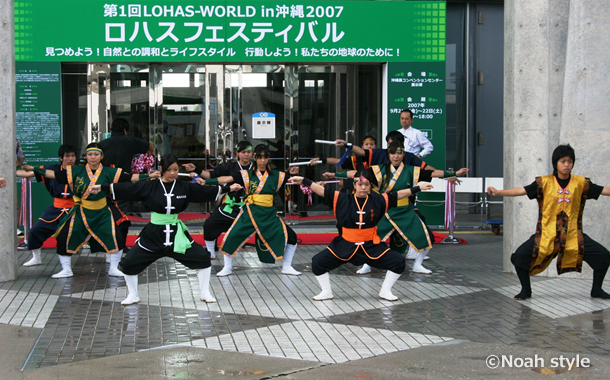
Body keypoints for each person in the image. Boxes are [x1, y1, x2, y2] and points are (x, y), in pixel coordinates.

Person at [90, 154, 242, 305]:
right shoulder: (151, 185)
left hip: (177, 235)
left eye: (175, 169)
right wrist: (102, 187)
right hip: (153, 234)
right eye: (169, 170)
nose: (172, 173)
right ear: (162, 169)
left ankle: (204, 292)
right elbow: (129, 188)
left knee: (203, 258)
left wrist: (228, 188)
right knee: (129, 263)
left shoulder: (184, 186)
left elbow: (204, 191)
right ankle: (133, 295)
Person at [487, 144, 610, 300]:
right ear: (556, 163)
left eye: (570, 161)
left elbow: (604, 190)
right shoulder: (544, 183)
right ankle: (526, 290)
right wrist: (498, 192)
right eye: (563, 161)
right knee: (519, 257)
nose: (566, 165)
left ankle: (596, 290)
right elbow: (521, 190)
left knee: (603, 256)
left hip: (572, 236)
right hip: (546, 235)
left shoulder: (580, 183)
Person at [288, 171, 434, 301]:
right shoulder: (342, 198)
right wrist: (303, 180)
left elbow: (398, 194)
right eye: (360, 184)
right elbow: (321, 191)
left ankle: (385, 290)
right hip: (345, 244)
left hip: (370, 246)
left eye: (366, 184)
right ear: (354, 186)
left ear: (370, 186)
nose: (363, 187)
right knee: (318, 262)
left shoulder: (378, 200)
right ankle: (326, 291)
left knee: (398, 262)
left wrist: (418, 188)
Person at [23, 143, 160, 279]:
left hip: (102, 212)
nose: (93, 157)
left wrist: (149, 176)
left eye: (96, 154)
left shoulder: (110, 171)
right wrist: (34, 169)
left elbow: (130, 177)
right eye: (90, 154)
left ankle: (113, 268)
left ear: (101, 156)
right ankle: (66, 270)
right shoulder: (76, 171)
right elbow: (53, 174)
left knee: (116, 236)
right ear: (86, 156)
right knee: (65, 236)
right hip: (82, 210)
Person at [335, 140, 468, 274]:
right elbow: (358, 174)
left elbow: (433, 173)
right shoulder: (378, 169)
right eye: (393, 153)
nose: (396, 156)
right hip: (384, 210)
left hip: (405, 210)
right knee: (370, 238)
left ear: (403, 154)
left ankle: (418, 264)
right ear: (389, 154)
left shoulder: (412, 170)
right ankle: (367, 264)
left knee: (425, 237)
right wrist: (335, 175)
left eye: (399, 153)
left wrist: (454, 173)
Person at [209, 144, 301, 277]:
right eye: (260, 157)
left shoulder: (277, 175)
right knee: (232, 236)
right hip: (250, 212)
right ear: (255, 158)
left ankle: (287, 266)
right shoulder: (246, 174)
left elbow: (295, 179)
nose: (263, 161)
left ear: (268, 158)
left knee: (292, 237)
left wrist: (312, 182)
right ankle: (227, 268)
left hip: (268, 214)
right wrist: (207, 182)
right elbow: (226, 179)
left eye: (265, 157)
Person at [182, 141, 254, 259]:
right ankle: (211, 252)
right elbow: (212, 176)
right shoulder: (230, 167)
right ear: (237, 153)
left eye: (249, 152)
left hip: (253, 205)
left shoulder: (256, 168)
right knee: (210, 224)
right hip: (232, 205)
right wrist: (197, 170)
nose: (246, 154)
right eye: (243, 152)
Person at [16, 144, 77, 265]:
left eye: (73, 156)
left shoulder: (82, 171)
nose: (70, 159)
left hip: (77, 208)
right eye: (67, 156)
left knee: (97, 231)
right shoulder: (51, 169)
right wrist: (6, 171)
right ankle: (36, 258)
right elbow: (27, 174)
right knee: (35, 230)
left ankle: (111, 260)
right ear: (61, 158)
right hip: (57, 208)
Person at [100, 118, 153, 214]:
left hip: (105, 178)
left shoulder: (102, 144)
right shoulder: (130, 141)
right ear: (125, 130)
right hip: (124, 178)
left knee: (105, 206)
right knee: (121, 208)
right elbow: (150, 147)